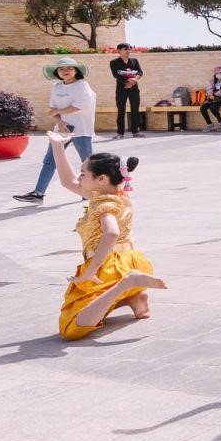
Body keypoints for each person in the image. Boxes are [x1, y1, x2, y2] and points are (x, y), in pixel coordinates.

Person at [43, 136, 165, 338]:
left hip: (111, 268)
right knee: (93, 305)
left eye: (83, 174)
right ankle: (133, 297)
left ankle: (127, 285)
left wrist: (90, 271)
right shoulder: (116, 194)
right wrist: (58, 146)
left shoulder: (102, 204)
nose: (79, 179)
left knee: (70, 328)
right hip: (133, 261)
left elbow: (112, 232)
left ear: (101, 179)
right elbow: (67, 181)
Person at [15, 59, 96, 203]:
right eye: (61, 69)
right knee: (49, 161)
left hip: (82, 129)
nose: (65, 71)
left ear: (76, 71)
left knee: (87, 162)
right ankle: (38, 193)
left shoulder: (82, 85)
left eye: (69, 68)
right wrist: (60, 122)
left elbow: (80, 106)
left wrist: (58, 111)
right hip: (61, 129)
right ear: (57, 73)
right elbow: (52, 110)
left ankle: (89, 192)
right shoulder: (56, 87)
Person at [108, 42, 144, 139]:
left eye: (129, 49)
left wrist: (134, 81)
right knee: (121, 110)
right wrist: (128, 81)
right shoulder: (114, 62)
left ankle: (135, 132)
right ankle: (120, 133)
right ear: (119, 51)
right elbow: (116, 74)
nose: (128, 51)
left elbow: (140, 72)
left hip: (134, 89)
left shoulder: (134, 61)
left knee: (135, 110)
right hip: (121, 89)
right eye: (125, 49)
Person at [198, 64, 221, 129]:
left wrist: (215, 95)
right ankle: (209, 124)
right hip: (212, 98)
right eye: (218, 73)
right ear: (215, 74)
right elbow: (209, 88)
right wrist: (210, 94)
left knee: (213, 107)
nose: (220, 74)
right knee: (203, 107)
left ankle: (220, 122)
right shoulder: (212, 81)